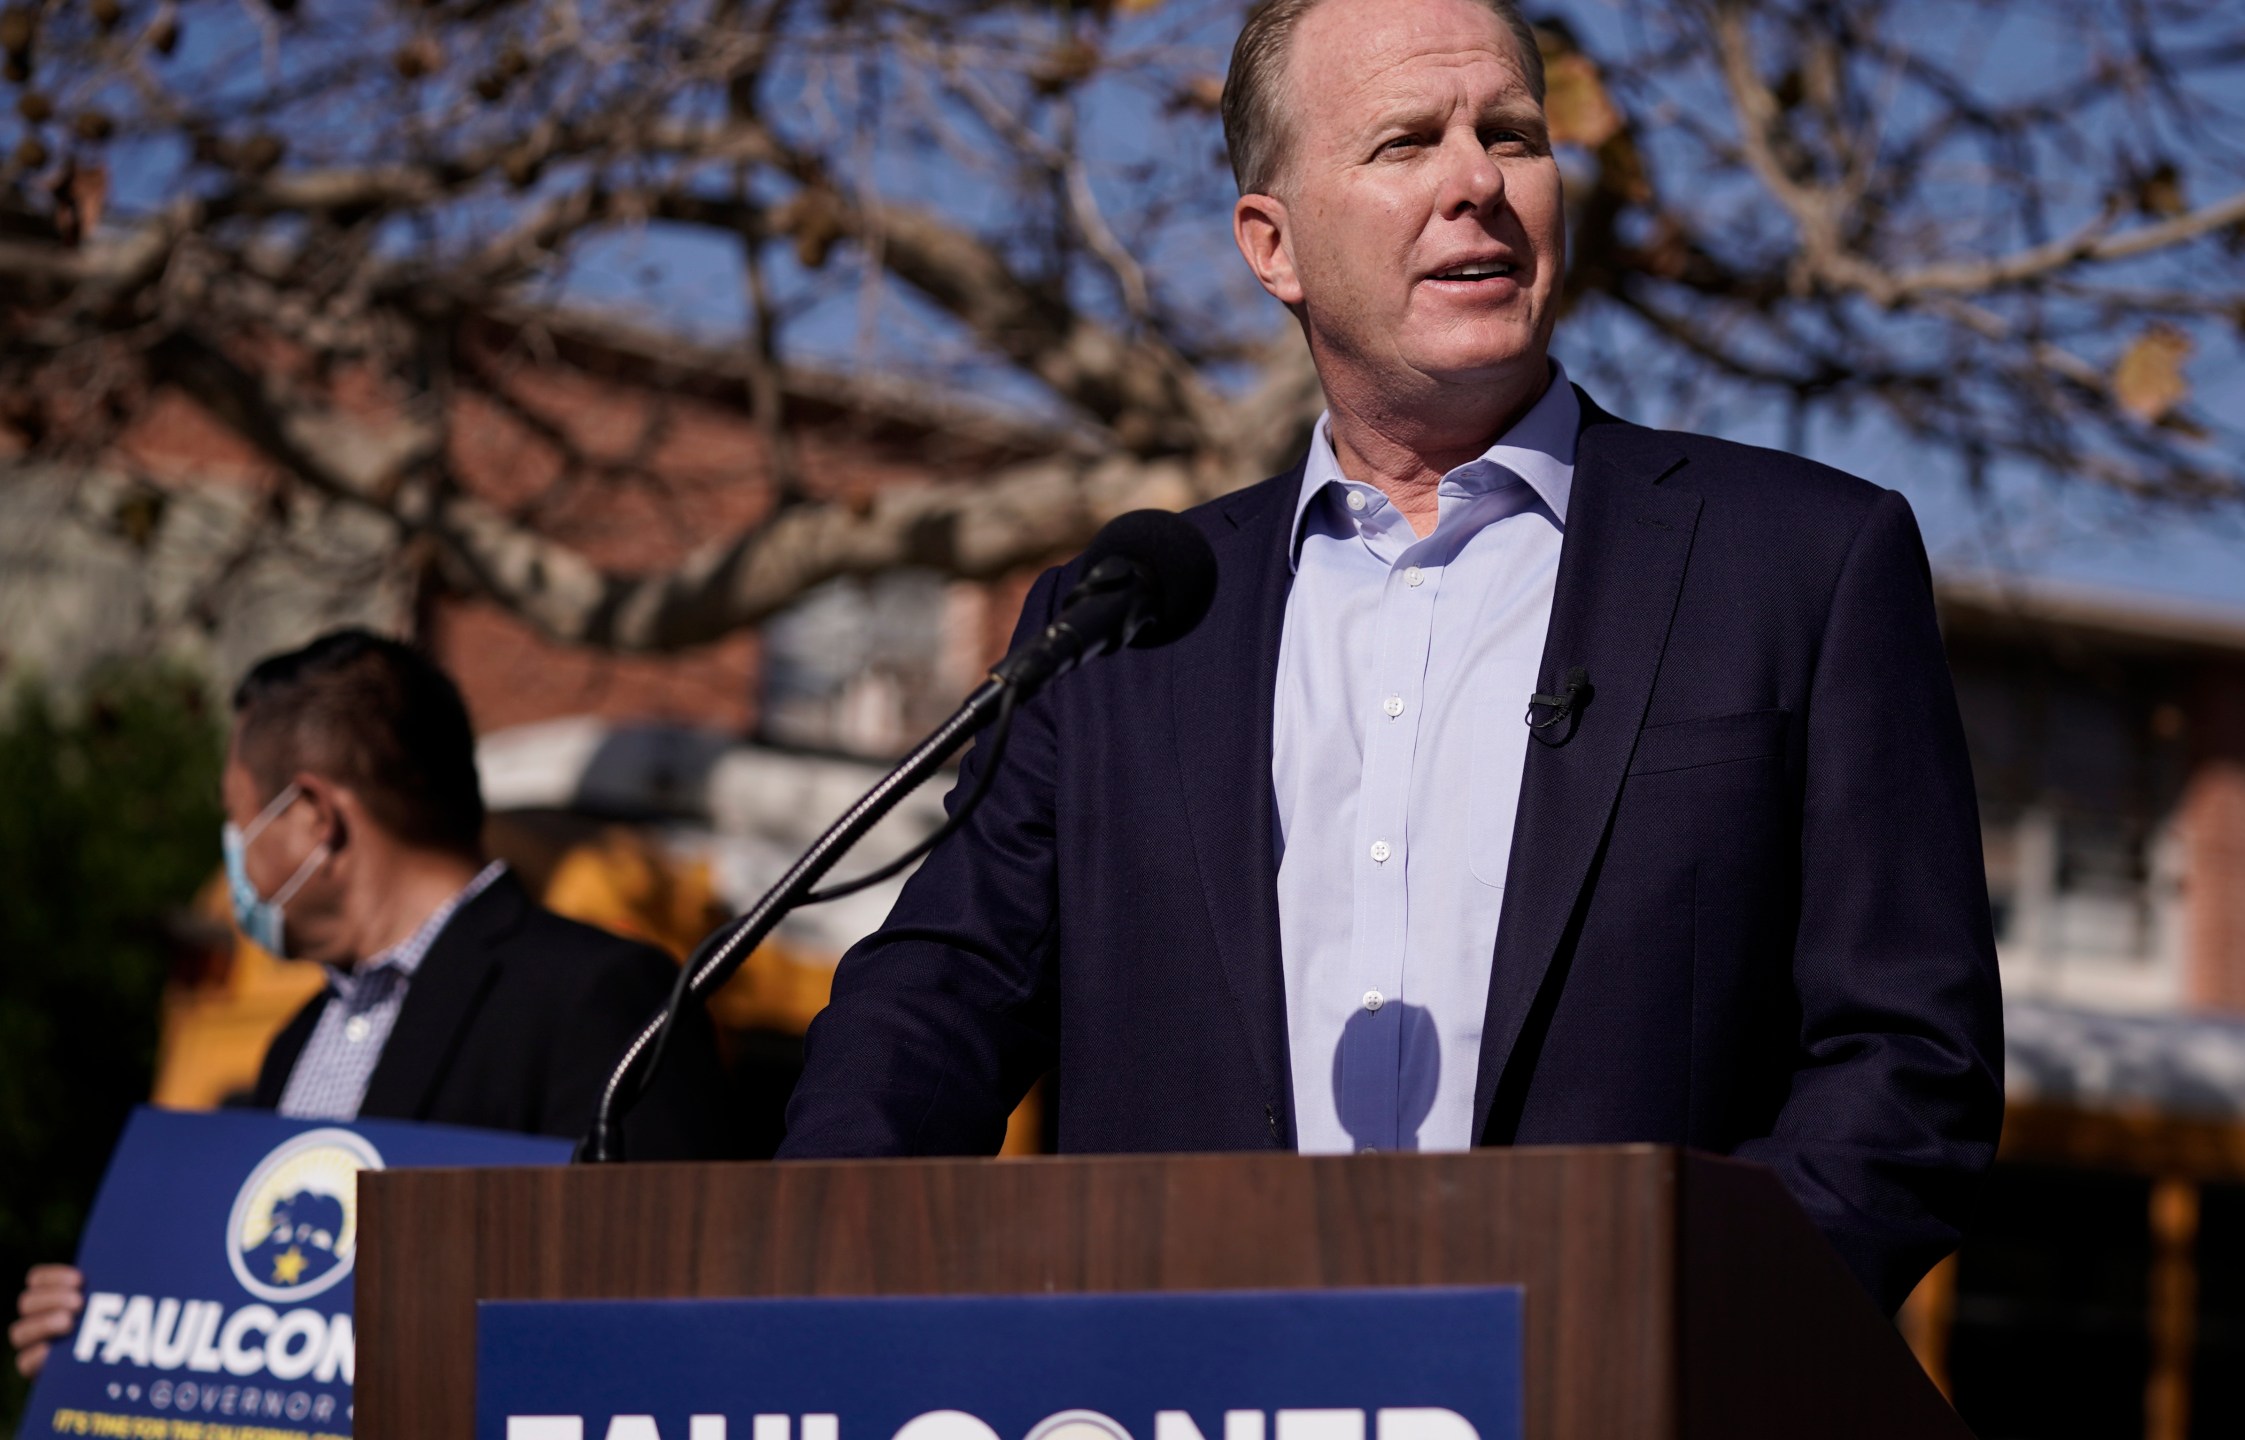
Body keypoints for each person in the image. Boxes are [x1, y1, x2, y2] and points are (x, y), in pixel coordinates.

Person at [780, 0, 2004, 1311]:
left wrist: (1688, 1332)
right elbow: (938, 1006)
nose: (1477, 181)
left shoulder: (1803, 566)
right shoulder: (1120, 623)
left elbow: (1906, 1065)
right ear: (1275, 242)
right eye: (1405, 143)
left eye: (1515, 135)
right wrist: (806, 1281)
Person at [11, 629, 729, 1379]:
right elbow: (253, 1307)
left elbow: (650, 1321)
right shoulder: (295, 1041)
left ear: (316, 817)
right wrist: (103, 1336)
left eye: (238, 819)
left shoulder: (602, 994)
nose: (234, 857)